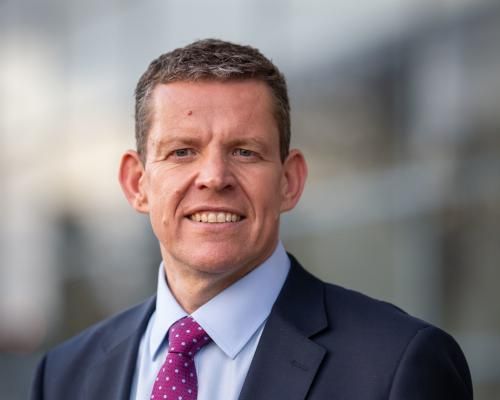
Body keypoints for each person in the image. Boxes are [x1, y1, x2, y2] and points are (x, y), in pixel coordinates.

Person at [31, 39, 473, 400]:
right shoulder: (64, 375)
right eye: (182, 151)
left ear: (289, 181)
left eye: (244, 151)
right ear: (136, 183)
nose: (214, 177)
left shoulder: (396, 364)